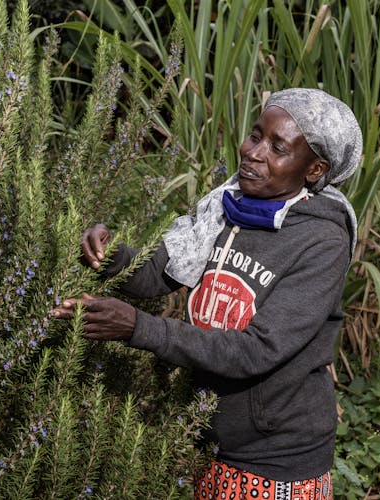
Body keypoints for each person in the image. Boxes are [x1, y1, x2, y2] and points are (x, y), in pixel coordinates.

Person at [52, 88, 363, 500]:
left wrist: (137, 328)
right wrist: (109, 255)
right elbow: (157, 275)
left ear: (314, 168)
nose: (253, 152)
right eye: (255, 136)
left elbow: (257, 350)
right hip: (205, 438)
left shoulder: (321, 240)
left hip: (276, 459)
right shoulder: (226, 205)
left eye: (277, 147)